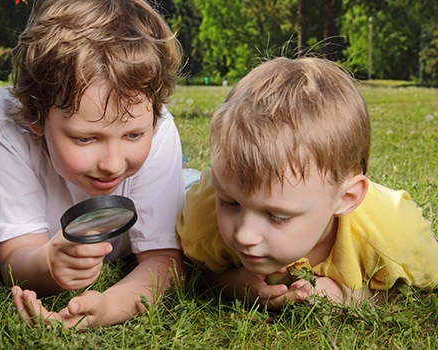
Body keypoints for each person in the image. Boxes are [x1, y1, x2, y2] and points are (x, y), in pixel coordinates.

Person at [0, 0, 188, 328]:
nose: (112, 164)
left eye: (133, 135)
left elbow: (165, 262)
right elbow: (17, 259)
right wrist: (48, 265)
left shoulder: (156, 124)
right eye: (86, 139)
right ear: (34, 116)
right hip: (6, 190)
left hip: (26, 181)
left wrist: (108, 306)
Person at [176, 57, 438, 310]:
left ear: (345, 199)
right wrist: (233, 285)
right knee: (182, 182)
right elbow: (186, 268)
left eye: (277, 216)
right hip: (195, 186)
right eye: (230, 202)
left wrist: (353, 295)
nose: (244, 234)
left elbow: (419, 283)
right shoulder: (204, 218)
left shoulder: (396, 239)